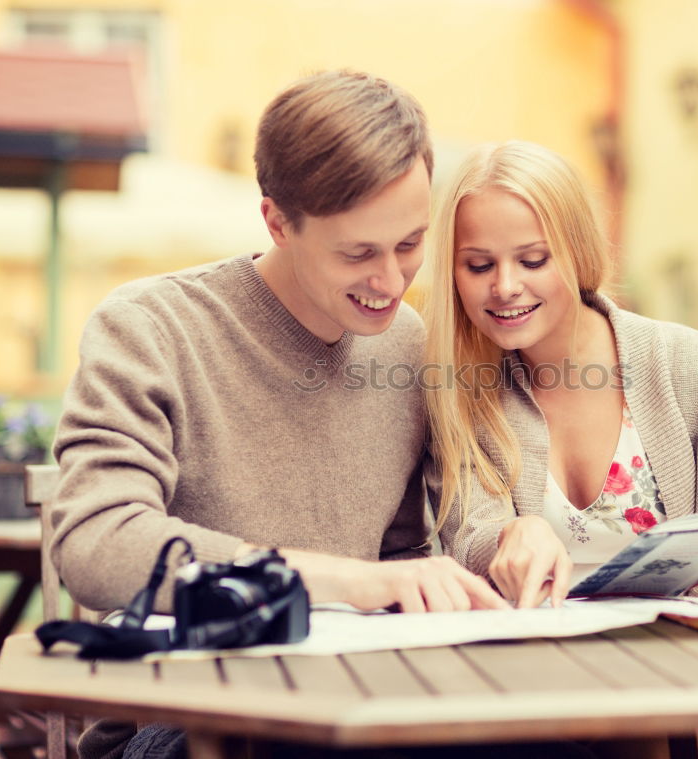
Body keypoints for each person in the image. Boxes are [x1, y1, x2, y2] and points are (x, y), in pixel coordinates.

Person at [50, 70, 506, 759]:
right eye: (358, 253)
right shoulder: (149, 327)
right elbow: (97, 541)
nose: (390, 281)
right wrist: (343, 580)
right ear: (277, 222)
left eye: (409, 244)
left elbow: (403, 550)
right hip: (184, 719)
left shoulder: (409, 347)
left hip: (359, 701)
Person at [423, 140, 698, 759]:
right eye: (478, 266)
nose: (505, 287)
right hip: (542, 708)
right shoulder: (464, 392)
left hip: (692, 706)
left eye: (533, 259)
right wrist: (510, 538)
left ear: (578, 252)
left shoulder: (690, 368)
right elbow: (471, 536)